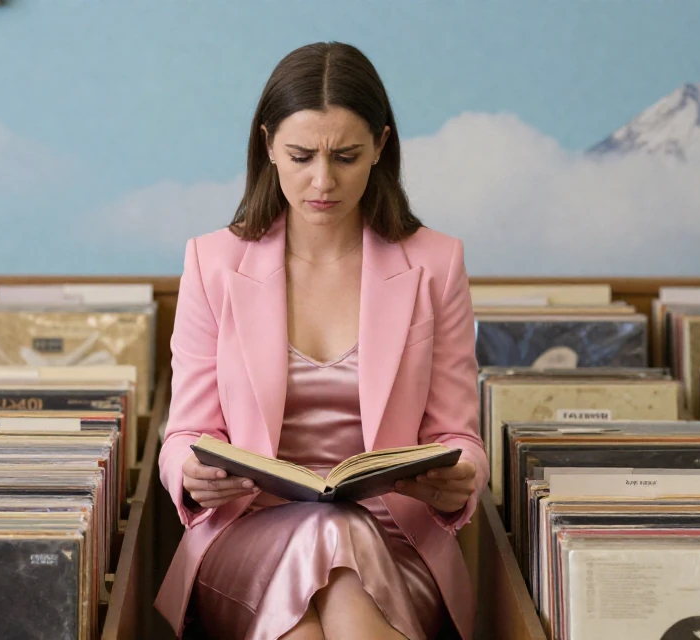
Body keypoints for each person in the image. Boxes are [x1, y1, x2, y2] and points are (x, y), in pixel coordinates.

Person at [154, 41, 489, 640]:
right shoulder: (212, 262)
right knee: (330, 536)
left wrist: (463, 473)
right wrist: (189, 472)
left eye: (347, 156)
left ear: (382, 147)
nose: (322, 181)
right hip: (247, 538)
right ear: (267, 148)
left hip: (394, 542)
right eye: (301, 156)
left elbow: (458, 434)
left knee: (336, 552)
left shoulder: (436, 262)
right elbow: (184, 431)